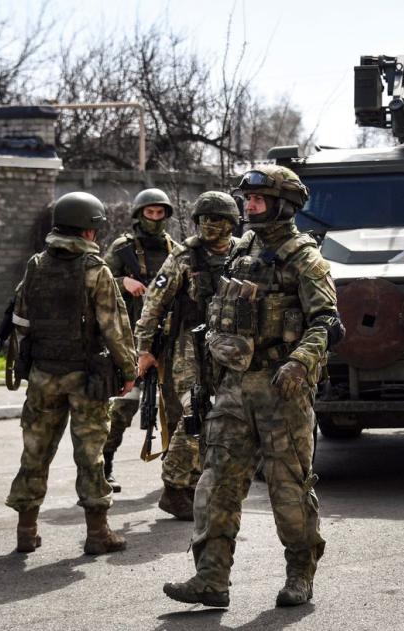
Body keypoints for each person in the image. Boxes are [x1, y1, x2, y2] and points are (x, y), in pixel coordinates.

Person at [163, 166, 344, 608]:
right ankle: (210, 579)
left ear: (284, 204)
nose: (249, 206)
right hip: (232, 388)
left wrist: (301, 362)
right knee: (216, 482)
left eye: (259, 199)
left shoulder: (305, 258)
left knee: (288, 488)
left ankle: (300, 573)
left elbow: (326, 322)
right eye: (248, 199)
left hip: (282, 390)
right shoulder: (241, 251)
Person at [5, 191, 137, 555]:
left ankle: (26, 530)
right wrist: (128, 369)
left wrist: (21, 365)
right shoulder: (96, 271)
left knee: (35, 451)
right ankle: (98, 534)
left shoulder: (36, 264)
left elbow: (21, 318)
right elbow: (114, 326)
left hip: (43, 374)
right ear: (90, 231)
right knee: (90, 454)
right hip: (86, 378)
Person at [135, 191, 240, 520]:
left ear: (231, 223)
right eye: (203, 219)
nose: (209, 225)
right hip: (187, 347)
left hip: (228, 348)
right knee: (193, 415)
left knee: (222, 418)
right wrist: (144, 349)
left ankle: (196, 482)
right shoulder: (183, 257)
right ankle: (173, 486)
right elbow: (154, 303)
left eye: (217, 219)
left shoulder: (243, 254)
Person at [102, 188, 180, 492]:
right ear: (140, 214)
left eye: (161, 213)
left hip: (167, 339)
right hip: (131, 341)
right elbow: (99, 280)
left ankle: (174, 471)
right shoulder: (123, 248)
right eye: (150, 213)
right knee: (123, 407)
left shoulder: (175, 250)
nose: (156, 218)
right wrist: (124, 282)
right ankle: (104, 465)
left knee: (172, 408)